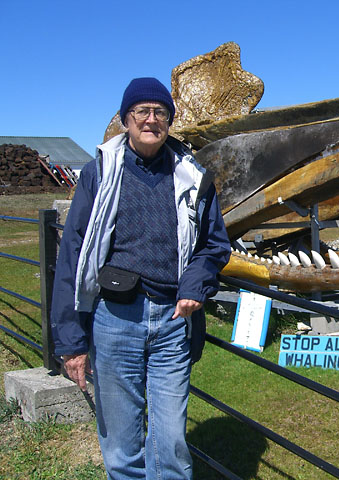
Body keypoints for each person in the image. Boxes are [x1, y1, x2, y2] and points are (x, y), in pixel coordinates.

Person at [50, 77, 231, 479]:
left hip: (173, 321)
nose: (151, 119)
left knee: (171, 444)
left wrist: (194, 286)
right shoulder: (99, 174)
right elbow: (73, 256)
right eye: (141, 111)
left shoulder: (194, 177)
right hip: (115, 319)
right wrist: (71, 341)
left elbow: (215, 246)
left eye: (160, 112)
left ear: (170, 119)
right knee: (121, 445)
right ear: (125, 119)